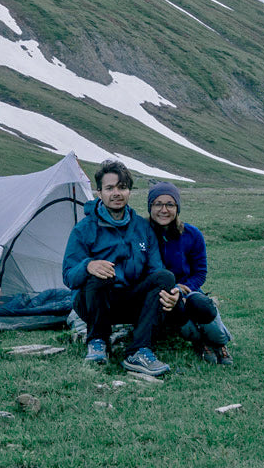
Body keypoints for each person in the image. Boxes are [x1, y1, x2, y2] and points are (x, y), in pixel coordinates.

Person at [62, 160, 178, 376]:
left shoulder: (142, 227)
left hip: (129, 300)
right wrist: (88, 265)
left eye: (122, 187)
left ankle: (139, 351)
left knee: (165, 277)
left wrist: (170, 294)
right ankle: (97, 342)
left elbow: (156, 270)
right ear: (99, 193)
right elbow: (68, 276)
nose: (117, 193)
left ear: (129, 192)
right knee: (100, 272)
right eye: (110, 188)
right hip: (93, 303)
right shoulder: (84, 229)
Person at [147, 181, 233, 365]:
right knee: (175, 308)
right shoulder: (143, 234)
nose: (164, 209)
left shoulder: (192, 234)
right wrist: (173, 291)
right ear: (150, 207)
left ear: (177, 208)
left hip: (189, 290)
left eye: (170, 204)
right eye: (157, 204)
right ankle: (200, 342)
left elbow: (200, 273)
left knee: (200, 303)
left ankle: (219, 342)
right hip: (163, 293)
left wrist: (184, 289)